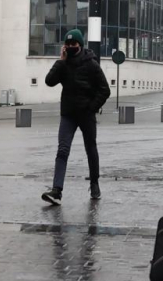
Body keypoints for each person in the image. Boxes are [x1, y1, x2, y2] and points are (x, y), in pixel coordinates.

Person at [42, 29, 111, 205]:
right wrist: (60, 60)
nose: (71, 47)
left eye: (74, 44)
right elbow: (49, 81)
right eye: (68, 44)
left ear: (80, 45)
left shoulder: (91, 64)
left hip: (86, 114)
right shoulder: (64, 64)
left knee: (90, 148)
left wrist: (92, 107)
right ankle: (57, 190)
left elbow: (105, 90)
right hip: (68, 114)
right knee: (62, 150)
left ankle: (94, 183)